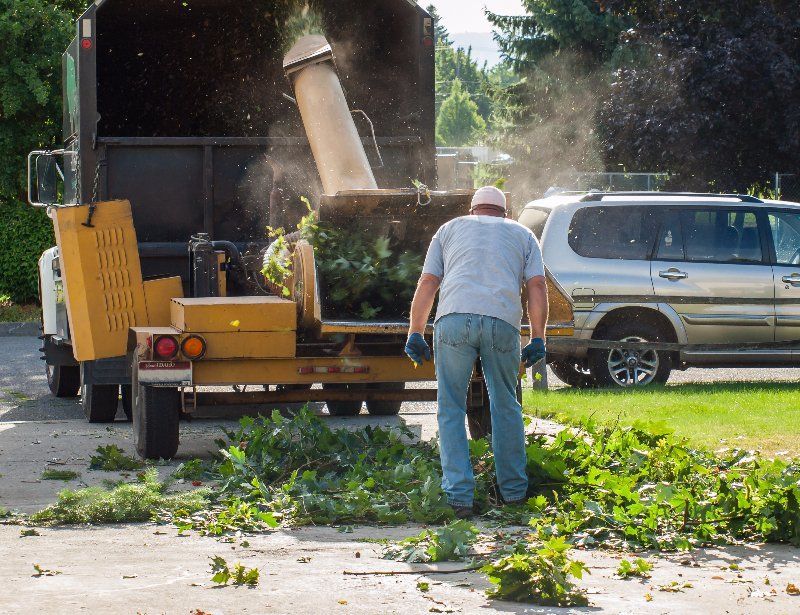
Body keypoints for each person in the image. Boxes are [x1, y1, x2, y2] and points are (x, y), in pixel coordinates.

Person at [405, 186, 548, 517]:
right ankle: (513, 495)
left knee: (451, 406)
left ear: (473, 211)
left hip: (453, 320)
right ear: (505, 213)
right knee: (505, 405)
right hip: (502, 321)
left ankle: (459, 498)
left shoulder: (449, 229)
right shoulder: (523, 234)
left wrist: (415, 331)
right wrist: (538, 337)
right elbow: (537, 286)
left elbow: (428, 283)